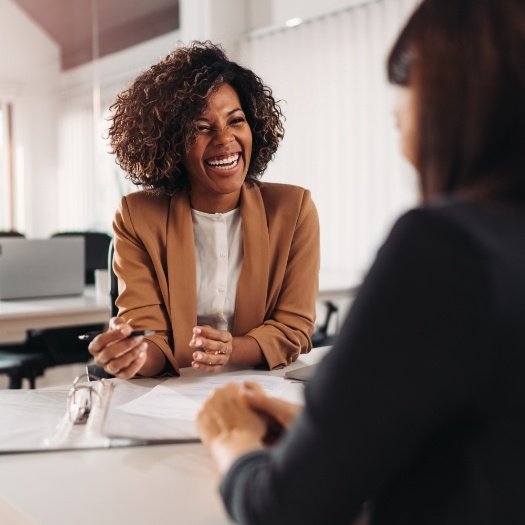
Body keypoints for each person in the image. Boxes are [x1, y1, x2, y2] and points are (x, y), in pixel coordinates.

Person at [196, 1, 525, 523]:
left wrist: (231, 440)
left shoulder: (445, 248)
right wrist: (335, 431)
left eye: (400, 120)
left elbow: (284, 511)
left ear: (449, 106)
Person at [87, 42, 320, 379]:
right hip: (171, 394)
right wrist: (132, 354)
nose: (225, 140)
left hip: (261, 386)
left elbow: (293, 328)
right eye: (201, 128)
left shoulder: (293, 210)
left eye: (235, 120)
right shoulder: (138, 216)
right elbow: (151, 338)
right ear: (171, 142)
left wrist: (231, 350)